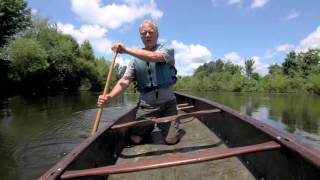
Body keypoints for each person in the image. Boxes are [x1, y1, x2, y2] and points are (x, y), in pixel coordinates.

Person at [97, 19, 179, 145]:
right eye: (143, 33)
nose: (147, 35)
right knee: (135, 139)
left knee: (171, 140)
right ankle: (150, 124)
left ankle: (166, 123)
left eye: (150, 32)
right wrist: (109, 96)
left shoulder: (167, 49)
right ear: (140, 36)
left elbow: (154, 57)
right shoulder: (135, 60)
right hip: (147, 105)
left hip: (168, 104)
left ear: (157, 34)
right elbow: (124, 81)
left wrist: (126, 50)